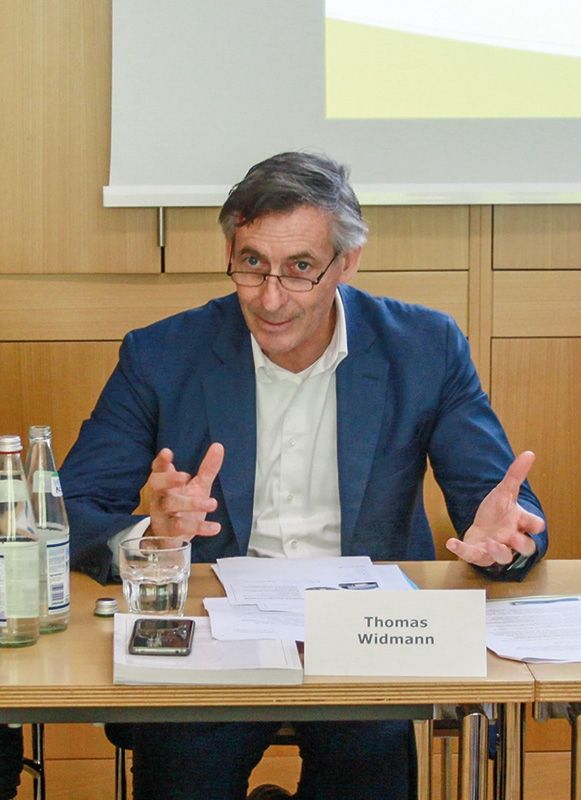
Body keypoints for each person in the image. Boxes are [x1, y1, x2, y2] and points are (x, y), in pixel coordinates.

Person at [60, 151, 547, 800]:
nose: (269, 298)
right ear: (229, 252)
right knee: (184, 768)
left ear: (347, 262)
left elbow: (499, 505)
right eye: (251, 263)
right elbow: (71, 506)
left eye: (299, 269)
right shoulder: (162, 353)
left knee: (368, 767)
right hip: (211, 631)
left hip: (366, 636)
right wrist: (154, 535)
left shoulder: (424, 347)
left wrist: (506, 540)